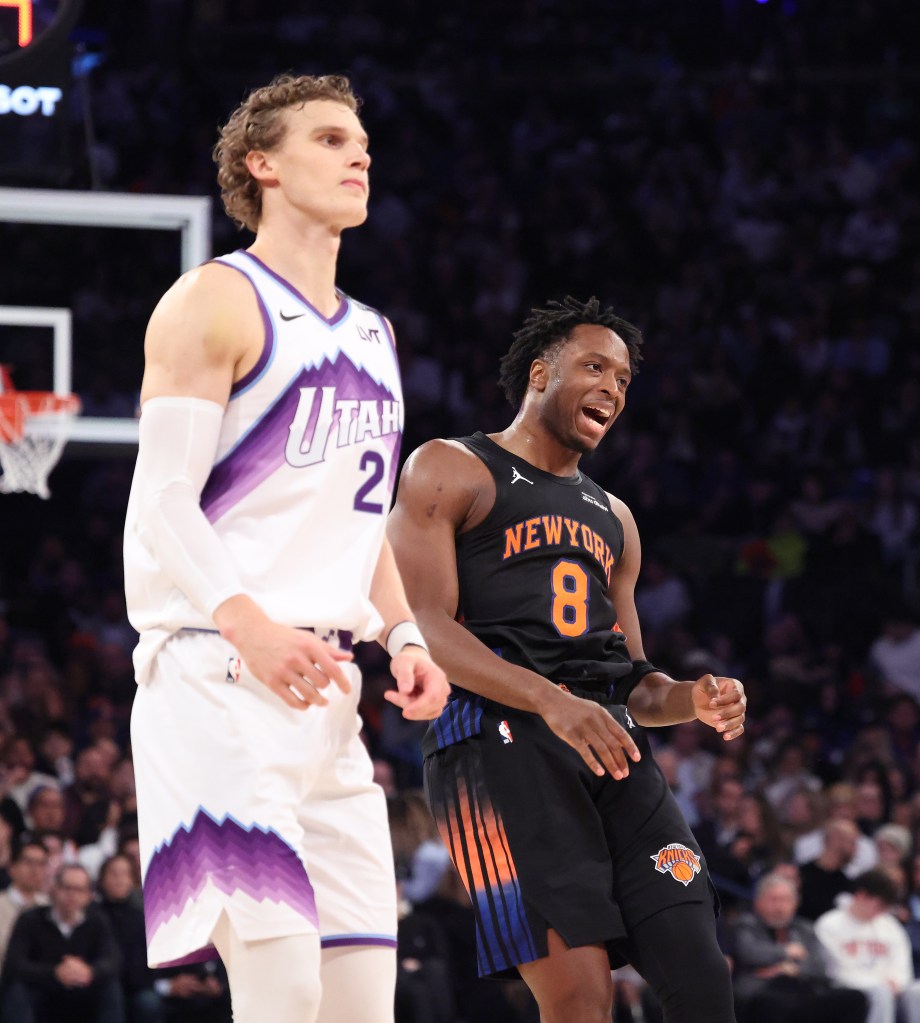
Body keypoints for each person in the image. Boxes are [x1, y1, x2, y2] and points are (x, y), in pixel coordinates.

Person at [123, 73, 449, 1023]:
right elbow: (162, 499)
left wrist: (408, 636)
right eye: (331, 139)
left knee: (358, 1007)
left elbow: (363, 523)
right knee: (281, 994)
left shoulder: (377, 334)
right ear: (262, 164)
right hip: (219, 680)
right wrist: (250, 625)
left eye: (363, 144)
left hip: (330, 693)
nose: (360, 155)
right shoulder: (213, 301)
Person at [387, 297, 747, 1022]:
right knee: (582, 998)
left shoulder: (615, 517)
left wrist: (691, 698)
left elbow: (634, 677)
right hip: (495, 748)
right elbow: (422, 621)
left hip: (611, 745)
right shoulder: (451, 466)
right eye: (595, 366)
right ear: (541, 372)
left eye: (622, 377)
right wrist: (551, 699)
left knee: (703, 977)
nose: (613, 386)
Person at [729, 871, 867, 1023]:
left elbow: (820, 967)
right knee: (774, 1002)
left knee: (855, 998)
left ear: (795, 903)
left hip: (803, 992)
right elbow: (749, 953)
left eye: (786, 900)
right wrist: (785, 952)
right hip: (762, 994)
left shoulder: (805, 929)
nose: (779, 907)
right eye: (774, 899)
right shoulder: (746, 924)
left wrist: (795, 970)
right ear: (758, 902)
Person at [1, 863, 124, 1023]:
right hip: (43, 991)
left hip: (82, 992)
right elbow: (14, 964)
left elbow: (113, 959)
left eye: (79, 890)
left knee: (110, 989)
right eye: (66, 888)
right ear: (54, 889)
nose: (72, 895)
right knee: (17, 990)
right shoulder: (30, 919)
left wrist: (90, 971)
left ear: (88, 895)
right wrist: (55, 972)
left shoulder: (97, 921)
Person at [815, 868, 920, 1023]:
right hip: (851, 988)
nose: (881, 912)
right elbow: (836, 970)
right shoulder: (829, 924)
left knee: (916, 991)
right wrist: (878, 983)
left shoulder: (890, 925)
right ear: (861, 895)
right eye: (879, 906)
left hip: (890, 987)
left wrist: (897, 981)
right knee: (880, 993)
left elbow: (901, 962)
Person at [0, 840, 51, 969]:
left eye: (41, 864)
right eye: (28, 862)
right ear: (12, 868)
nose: (35, 870)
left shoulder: (50, 906)